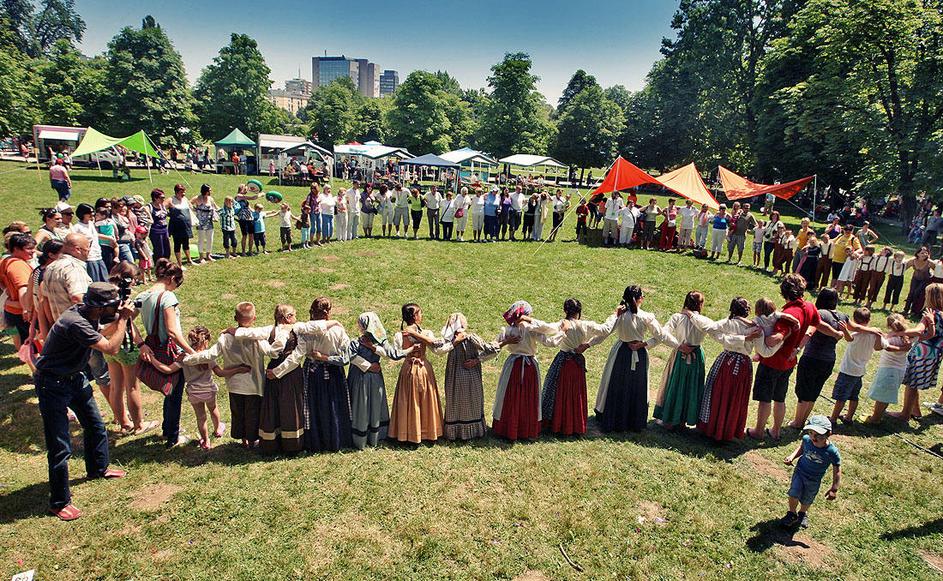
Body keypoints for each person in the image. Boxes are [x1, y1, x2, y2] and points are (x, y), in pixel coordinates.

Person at [33, 282, 131, 520]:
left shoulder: (86, 313)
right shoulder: (75, 322)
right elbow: (110, 348)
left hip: (74, 379)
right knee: (60, 445)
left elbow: (99, 337)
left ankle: (98, 468)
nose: (117, 308)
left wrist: (118, 320)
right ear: (100, 307)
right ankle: (59, 502)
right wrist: (124, 321)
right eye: (113, 306)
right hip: (52, 384)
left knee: (96, 426)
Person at [267, 297, 353, 452]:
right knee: (332, 404)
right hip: (334, 372)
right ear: (329, 312)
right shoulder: (337, 330)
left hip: (312, 373)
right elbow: (346, 355)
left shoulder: (304, 331)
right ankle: (335, 438)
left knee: (313, 406)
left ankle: (315, 440)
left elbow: (297, 355)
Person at [748, 274, 820, 441]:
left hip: (772, 362)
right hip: (789, 362)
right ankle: (776, 431)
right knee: (780, 398)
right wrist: (799, 346)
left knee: (765, 399)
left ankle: (758, 431)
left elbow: (778, 337)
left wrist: (761, 337)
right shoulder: (809, 306)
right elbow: (815, 323)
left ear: (784, 291)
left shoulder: (790, 312)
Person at [685, 297, 768, 442]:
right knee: (734, 396)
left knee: (719, 393)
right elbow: (764, 350)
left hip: (726, 362)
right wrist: (745, 339)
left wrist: (693, 316)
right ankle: (726, 430)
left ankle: (713, 428)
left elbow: (709, 328)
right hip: (742, 365)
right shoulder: (753, 328)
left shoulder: (731, 324)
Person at [136, 259, 195, 447]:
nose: (175, 288)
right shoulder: (167, 297)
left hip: (154, 348)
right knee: (174, 394)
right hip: (170, 351)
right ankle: (173, 437)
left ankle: (167, 429)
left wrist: (140, 344)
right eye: (176, 284)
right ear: (171, 279)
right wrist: (191, 352)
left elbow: (126, 322)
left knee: (168, 391)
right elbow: (172, 331)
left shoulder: (142, 295)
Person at [595, 286, 666, 432]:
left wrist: (588, 344)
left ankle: (616, 417)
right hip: (638, 353)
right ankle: (633, 420)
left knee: (618, 383)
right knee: (636, 385)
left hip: (621, 352)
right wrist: (644, 344)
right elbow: (660, 335)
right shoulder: (645, 316)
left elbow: (605, 332)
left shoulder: (621, 315)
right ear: (640, 299)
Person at [541, 299, 616, 436]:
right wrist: (614, 315)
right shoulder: (586, 325)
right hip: (577, 364)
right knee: (575, 393)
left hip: (563, 362)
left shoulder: (562, 324)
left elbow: (545, 327)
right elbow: (606, 330)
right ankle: (574, 424)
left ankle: (557, 422)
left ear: (565, 311)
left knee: (558, 392)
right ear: (579, 311)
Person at [492, 301, 563, 440]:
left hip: (513, 366)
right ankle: (526, 429)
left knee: (511, 395)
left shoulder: (508, 330)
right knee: (528, 397)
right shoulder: (532, 329)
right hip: (529, 366)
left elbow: (494, 346)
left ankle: (508, 427)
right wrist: (563, 332)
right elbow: (550, 341)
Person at [345, 312, 412, 448]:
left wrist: (372, 347)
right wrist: (369, 366)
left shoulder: (379, 342)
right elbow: (351, 357)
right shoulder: (356, 342)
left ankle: (375, 435)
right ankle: (361, 437)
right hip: (362, 376)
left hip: (368, 378)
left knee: (373, 402)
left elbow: (390, 354)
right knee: (361, 404)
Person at [387, 303, 451, 443]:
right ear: (415, 316)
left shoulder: (400, 335)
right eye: (420, 313)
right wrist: (453, 343)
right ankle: (427, 431)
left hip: (408, 369)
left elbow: (396, 353)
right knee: (425, 398)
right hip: (423, 369)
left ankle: (406, 432)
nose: (421, 316)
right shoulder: (426, 333)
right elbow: (438, 349)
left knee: (408, 399)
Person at [788, 289, 848, 431]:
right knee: (814, 392)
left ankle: (797, 422)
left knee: (804, 392)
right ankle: (803, 420)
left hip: (812, 358)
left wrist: (797, 348)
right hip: (828, 360)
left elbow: (811, 330)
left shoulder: (819, 314)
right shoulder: (842, 316)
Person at [654, 291, 707, 429]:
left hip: (680, 354)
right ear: (700, 305)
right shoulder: (703, 321)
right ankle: (684, 419)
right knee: (691, 385)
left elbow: (663, 333)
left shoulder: (677, 318)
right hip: (696, 355)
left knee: (676, 383)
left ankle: (670, 419)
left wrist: (678, 345)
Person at [828, 308, 889, 426]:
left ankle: (833, 418)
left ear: (855, 320)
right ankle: (849, 417)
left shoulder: (856, 334)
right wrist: (878, 335)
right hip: (860, 371)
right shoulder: (874, 336)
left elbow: (849, 338)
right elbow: (880, 347)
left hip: (848, 370)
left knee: (841, 397)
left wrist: (845, 330)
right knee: (854, 396)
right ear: (869, 320)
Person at [782, 415, 841, 530]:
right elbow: (802, 448)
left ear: (828, 434)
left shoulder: (832, 451)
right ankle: (792, 513)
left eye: (818, 435)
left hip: (814, 479)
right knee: (794, 492)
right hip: (800, 472)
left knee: (807, 498)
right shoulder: (807, 440)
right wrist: (792, 457)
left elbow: (837, 469)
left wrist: (834, 488)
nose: (813, 438)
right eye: (810, 433)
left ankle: (802, 513)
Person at [896, 284, 943, 422]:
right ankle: (915, 411)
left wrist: (897, 332)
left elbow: (918, 331)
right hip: (935, 354)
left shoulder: (931, 314)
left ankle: (904, 414)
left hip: (922, 353)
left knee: (911, 384)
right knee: (913, 382)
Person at [865, 314, 913, 423]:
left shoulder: (891, 340)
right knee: (887, 394)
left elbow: (878, 347)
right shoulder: (909, 337)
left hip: (888, 370)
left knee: (882, 396)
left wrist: (879, 336)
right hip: (900, 370)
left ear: (889, 325)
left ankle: (875, 418)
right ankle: (878, 415)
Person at [2, 233, 35, 351]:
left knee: (22, 341)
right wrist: (27, 309)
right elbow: (23, 289)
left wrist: (7, 293)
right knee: (32, 346)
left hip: (12, 310)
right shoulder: (18, 266)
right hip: (22, 313)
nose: (33, 251)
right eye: (29, 248)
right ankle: (36, 368)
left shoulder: (6, 261)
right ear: (16, 249)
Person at [167, 184, 194, 269]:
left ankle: (189, 260)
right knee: (177, 244)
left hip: (186, 226)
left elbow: (191, 207)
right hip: (176, 227)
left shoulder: (185, 199)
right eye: (182, 192)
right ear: (176, 192)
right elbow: (162, 208)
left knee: (186, 243)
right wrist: (169, 214)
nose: (184, 194)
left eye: (184, 192)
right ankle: (180, 264)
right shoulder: (171, 200)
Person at [903, 247, 933, 318]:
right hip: (915, 278)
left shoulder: (929, 262)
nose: (924, 254)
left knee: (916, 293)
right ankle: (905, 310)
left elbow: (937, 270)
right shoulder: (913, 260)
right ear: (917, 254)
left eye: (926, 253)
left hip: (924, 280)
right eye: (922, 253)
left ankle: (913, 311)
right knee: (911, 293)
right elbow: (904, 267)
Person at [191, 184, 218, 264]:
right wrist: (194, 210)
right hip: (201, 223)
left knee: (210, 239)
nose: (211, 191)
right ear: (205, 191)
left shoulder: (211, 199)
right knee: (201, 240)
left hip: (209, 222)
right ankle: (201, 257)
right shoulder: (197, 198)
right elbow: (189, 203)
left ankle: (208, 255)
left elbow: (216, 207)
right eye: (209, 190)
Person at [148, 189, 171, 262]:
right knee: (159, 250)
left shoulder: (162, 206)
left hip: (164, 230)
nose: (163, 199)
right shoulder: (149, 207)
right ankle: (158, 266)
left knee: (167, 250)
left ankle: (166, 264)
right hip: (155, 232)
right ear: (155, 198)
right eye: (161, 198)